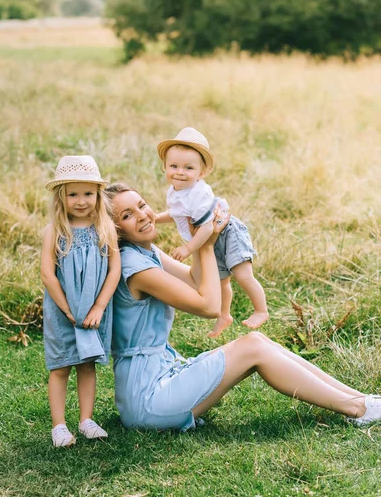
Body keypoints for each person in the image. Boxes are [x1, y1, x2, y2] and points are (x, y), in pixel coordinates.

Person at [106, 182, 381, 433]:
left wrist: (199, 235)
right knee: (253, 347)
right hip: (147, 400)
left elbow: (194, 279)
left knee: (258, 340)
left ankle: (361, 400)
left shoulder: (148, 252)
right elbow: (209, 305)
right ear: (116, 230)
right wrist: (207, 241)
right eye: (127, 215)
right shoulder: (135, 267)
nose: (142, 215)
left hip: (162, 373)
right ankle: (357, 409)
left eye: (142, 205)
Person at [155, 127, 268, 338]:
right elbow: (176, 213)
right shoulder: (176, 191)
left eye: (188, 168)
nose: (180, 172)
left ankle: (261, 310)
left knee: (243, 275)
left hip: (227, 232)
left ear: (202, 173)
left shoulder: (198, 193)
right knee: (221, 282)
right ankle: (224, 316)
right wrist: (155, 219)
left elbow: (207, 227)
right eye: (174, 166)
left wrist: (188, 248)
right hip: (208, 237)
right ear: (165, 167)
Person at [41, 155, 121, 447]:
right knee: (61, 366)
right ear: (62, 197)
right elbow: (48, 275)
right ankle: (59, 426)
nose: (81, 200)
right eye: (73, 194)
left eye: (88, 193)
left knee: (87, 365)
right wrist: (67, 310)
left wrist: (99, 306)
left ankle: (86, 419)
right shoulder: (55, 231)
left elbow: (115, 270)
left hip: (93, 311)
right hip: (64, 310)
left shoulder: (105, 228)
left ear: (98, 195)